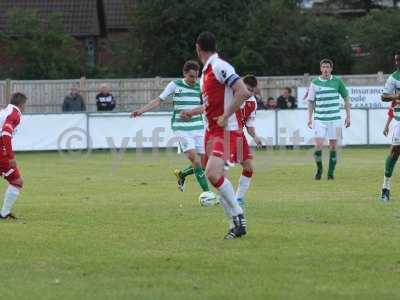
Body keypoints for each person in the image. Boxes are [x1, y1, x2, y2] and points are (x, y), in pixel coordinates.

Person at [196, 31, 251, 239]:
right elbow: (211, 103)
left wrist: (226, 115)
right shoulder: (206, 72)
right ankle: (234, 226)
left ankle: (238, 215)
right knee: (218, 178)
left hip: (225, 131)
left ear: (198, 48)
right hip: (211, 131)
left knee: (212, 173)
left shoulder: (220, 66)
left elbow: (243, 91)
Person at [130, 60, 213, 197]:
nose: (194, 79)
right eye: (191, 76)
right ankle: (208, 194)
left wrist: (192, 113)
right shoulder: (175, 85)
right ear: (184, 73)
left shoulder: (201, 86)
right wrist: (141, 111)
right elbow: (158, 100)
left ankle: (182, 174)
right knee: (196, 161)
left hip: (198, 127)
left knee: (204, 163)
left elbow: (207, 106)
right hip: (181, 128)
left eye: (196, 76)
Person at [307, 58, 351, 180]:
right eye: (324, 67)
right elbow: (311, 102)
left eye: (328, 67)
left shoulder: (338, 82)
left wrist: (348, 115)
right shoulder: (314, 83)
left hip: (335, 119)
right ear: (321, 69)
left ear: (331, 69)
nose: (326, 69)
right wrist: (309, 118)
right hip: (320, 119)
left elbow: (346, 98)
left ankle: (330, 173)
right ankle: (319, 169)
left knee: (333, 146)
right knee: (318, 145)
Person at [235, 74, 263, 207]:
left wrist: (255, 137)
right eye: (247, 89)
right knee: (215, 168)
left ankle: (238, 198)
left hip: (239, 138)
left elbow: (249, 124)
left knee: (248, 168)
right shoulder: (230, 94)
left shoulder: (252, 103)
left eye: (252, 90)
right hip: (222, 135)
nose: (249, 93)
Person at [0, 93, 27, 220]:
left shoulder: (6, 111)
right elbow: (6, 133)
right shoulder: (14, 114)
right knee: (17, 181)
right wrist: (10, 156)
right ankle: (4, 213)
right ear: (21, 105)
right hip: (2, 152)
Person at [379, 52, 400, 201]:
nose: (398, 63)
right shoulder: (393, 78)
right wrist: (397, 96)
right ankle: (385, 188)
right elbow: (384, 96)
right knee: (394, 153)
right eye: (396, 60)